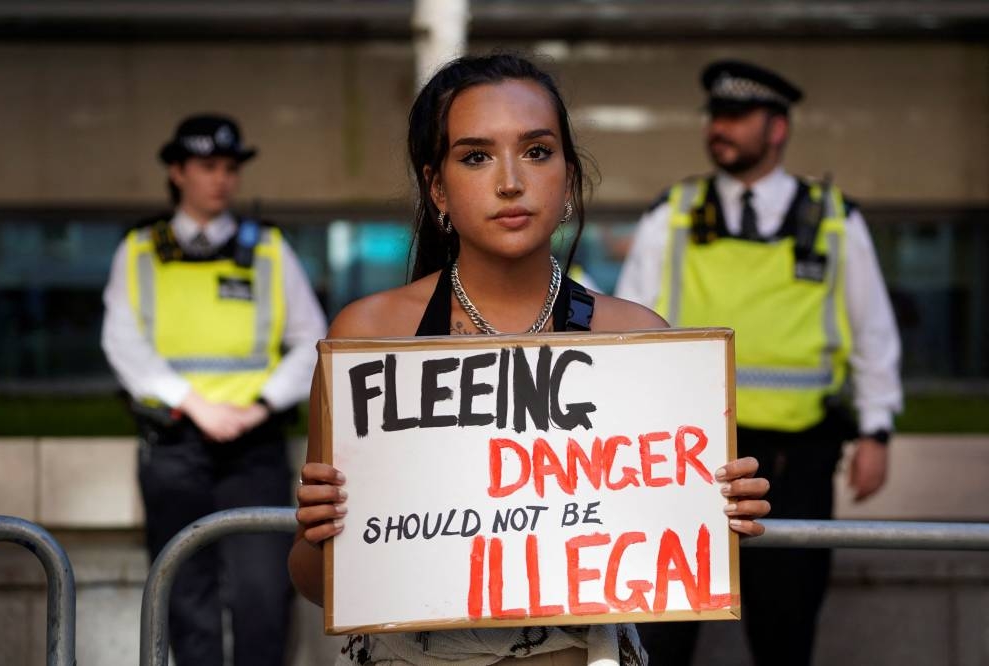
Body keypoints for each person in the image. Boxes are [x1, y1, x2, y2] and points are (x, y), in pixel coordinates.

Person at [288, 54, 771, 666]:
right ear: (437, 186)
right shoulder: (368, 337)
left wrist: (714, 512)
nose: (510, 180)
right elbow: (313, 581)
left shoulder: (638, 341)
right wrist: (319, 532)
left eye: (537, 151)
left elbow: (661, 563)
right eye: (476, 156)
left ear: (569, 179)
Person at [615, 60, 903, 665]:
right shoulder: (672, 214)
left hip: (795, 463)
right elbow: (627, 327)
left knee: (786, 632)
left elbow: (873, 333)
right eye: (715, 116)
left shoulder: (834, 218)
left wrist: (876, 430)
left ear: (777, 130)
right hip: (687, 460)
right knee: (662, 635)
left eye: (737, 117)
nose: (720, 128)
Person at [101, 113, 328, 666]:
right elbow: (122, 340)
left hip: (253, 445)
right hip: (175, 443)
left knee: (263, 595)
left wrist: (257, 408)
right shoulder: (139, 249)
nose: (221, 179)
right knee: (184, 593)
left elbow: (313, 341)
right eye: (207, 167)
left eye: (230, 167)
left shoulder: (270, 248)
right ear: (177, 171)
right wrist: (194, 404)